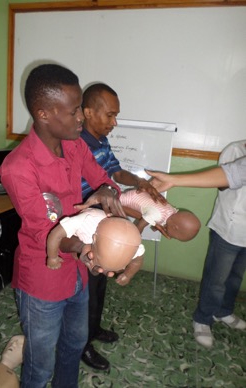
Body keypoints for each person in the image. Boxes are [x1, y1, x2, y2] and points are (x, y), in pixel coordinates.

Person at [0, 64, 126, 388]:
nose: (81, 119)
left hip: (77, 275)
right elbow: (45, 233)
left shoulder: (75, 145)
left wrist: (107, 190)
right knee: (40, 367)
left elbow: (101, 178)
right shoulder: (18, 167)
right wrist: (89, 247)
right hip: (43, 280)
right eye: (74, 113)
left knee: (72, 347)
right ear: (44, 114)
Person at [80, 82, 165, 370]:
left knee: (102, 278)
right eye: (110, 115)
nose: (114, 122)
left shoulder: (101, 141)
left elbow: (114, 170)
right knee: (88, 284)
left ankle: (93, 328)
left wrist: (139, 181)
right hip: (87, 224)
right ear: (88, 112)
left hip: (106, 220)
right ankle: (82, 344)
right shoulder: (76, 143)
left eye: (116, 116)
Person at [148, 141, 246, 348]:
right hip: (229, 229)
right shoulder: (236, 150)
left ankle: (224, 311)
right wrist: (174, 180)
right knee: (216, 279)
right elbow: (225, 180)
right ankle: (203, 319)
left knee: (235, 277)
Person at [46, 208, 145, 282]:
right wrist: (52, 257)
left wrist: (128, 275)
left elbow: (137, 261)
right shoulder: (86, 221)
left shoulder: (133, 244)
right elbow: (56, 234)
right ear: (94, 239)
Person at [120, 189, 201, 242]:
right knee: (116, 202)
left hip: (139, 194)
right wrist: (135, 237)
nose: (171, 238)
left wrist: (156, 226)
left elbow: (154, 220)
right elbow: (141, 224)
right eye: (175, 237)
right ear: (175, 227)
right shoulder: (158, 215)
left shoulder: (171, 210)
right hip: (130, 199)